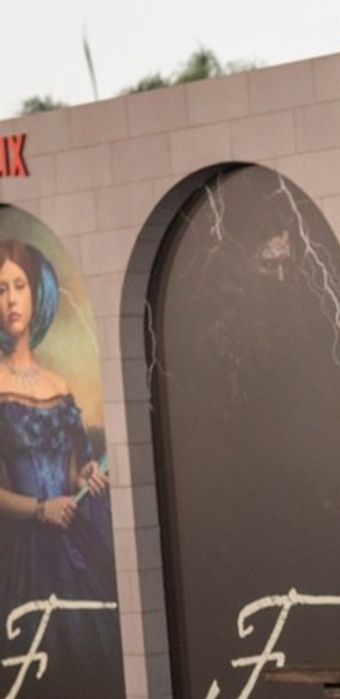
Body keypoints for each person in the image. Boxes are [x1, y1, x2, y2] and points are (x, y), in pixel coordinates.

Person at [0, 239, 124, 698]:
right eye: (0, 290)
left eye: (19, 286)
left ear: (36, 293)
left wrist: (85, 476)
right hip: (22, 551)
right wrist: (40, 510)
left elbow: (71, 469)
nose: (11, 300)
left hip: (73, 544)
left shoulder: (59, 383)